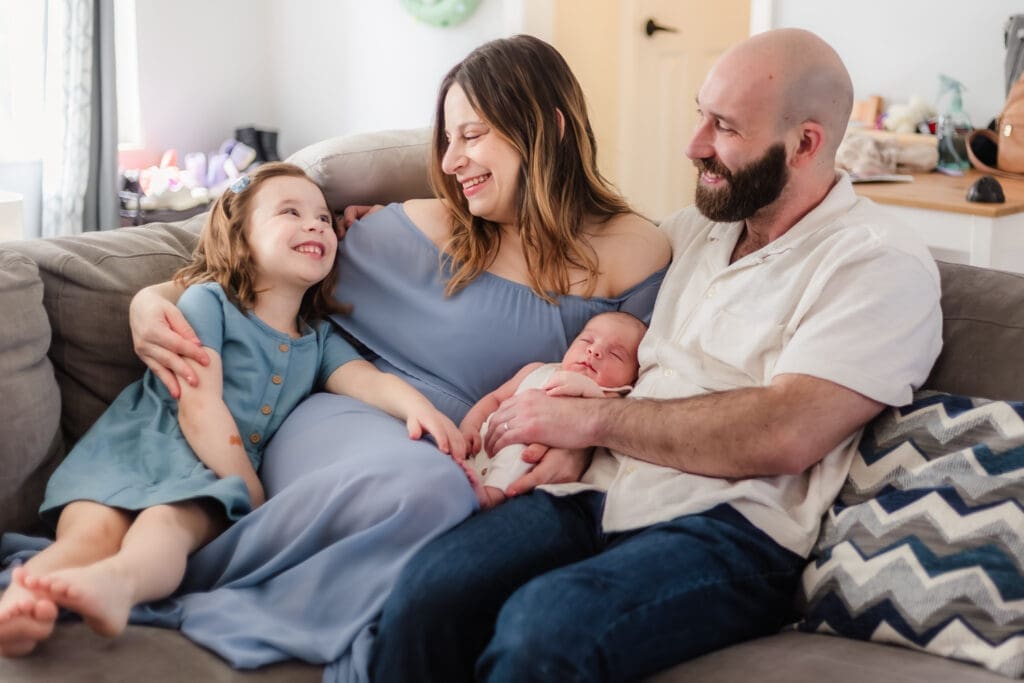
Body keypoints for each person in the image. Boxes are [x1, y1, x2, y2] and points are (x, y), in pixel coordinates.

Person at [0, 36, 670, 679]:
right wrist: (149, 304)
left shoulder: (640, 250)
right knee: (432, 489)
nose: (453, 159)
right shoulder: (410, 227)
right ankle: (157, 570)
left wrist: (582, 440)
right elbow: (243, 273)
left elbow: (644, 377)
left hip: (457, 443)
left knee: (453, 498)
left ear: (547, 127)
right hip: (346, 409)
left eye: (473, 135)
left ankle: (133, 570)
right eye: (447, 140)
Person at [370, 28, 945, 683]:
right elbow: (556, 243)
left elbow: (785, 429)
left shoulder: (873, 260)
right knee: (426, 591)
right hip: (596, 491)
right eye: (700, 113)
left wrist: (586, 423)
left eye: (723, 126)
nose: (693, 144)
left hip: (727, 528)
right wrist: (389, 230)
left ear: (806, 143)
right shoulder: (694, 230)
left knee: (545, 628)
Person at [0, 162, 465, 654]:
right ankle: (20, 603)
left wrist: (417, 407)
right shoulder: (209, 302)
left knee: (165, 529)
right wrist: (252, 494)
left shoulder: (319, 339)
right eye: (291, 212)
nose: (315, 224)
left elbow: (367, 380)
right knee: (87, 536)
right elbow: (197, 405)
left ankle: (117, 585)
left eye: (324, 219)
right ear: (241, 241)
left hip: (202, 480)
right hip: (131, 449)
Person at [459, 311, 646, 508]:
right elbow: (495, 399)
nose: (594, 351)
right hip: (479, 450)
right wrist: (469, 426)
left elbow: (603, 420)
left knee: (523, 450)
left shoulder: (609, 396)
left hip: (523, 465)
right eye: (586, 340)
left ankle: (493, 495)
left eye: (615, 354)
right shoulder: (536, 370)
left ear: (633, 378)